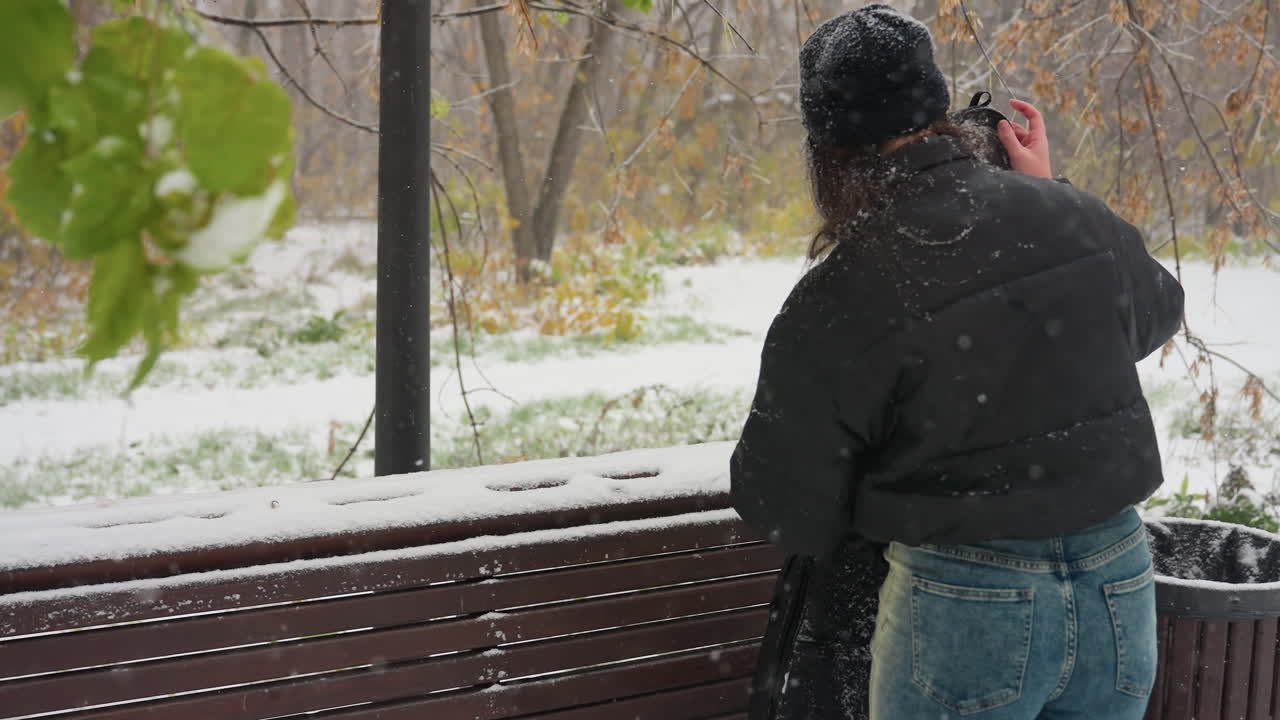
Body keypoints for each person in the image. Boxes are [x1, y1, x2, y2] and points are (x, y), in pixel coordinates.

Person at [731, 5, 1185, 720]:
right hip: (1118, 582)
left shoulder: (846, 289)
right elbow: (1155, 310)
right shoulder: (1069, 218)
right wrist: (1049, 192)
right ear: (938, 105)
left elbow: (783, 501)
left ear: (826, 144)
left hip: (967, 600)